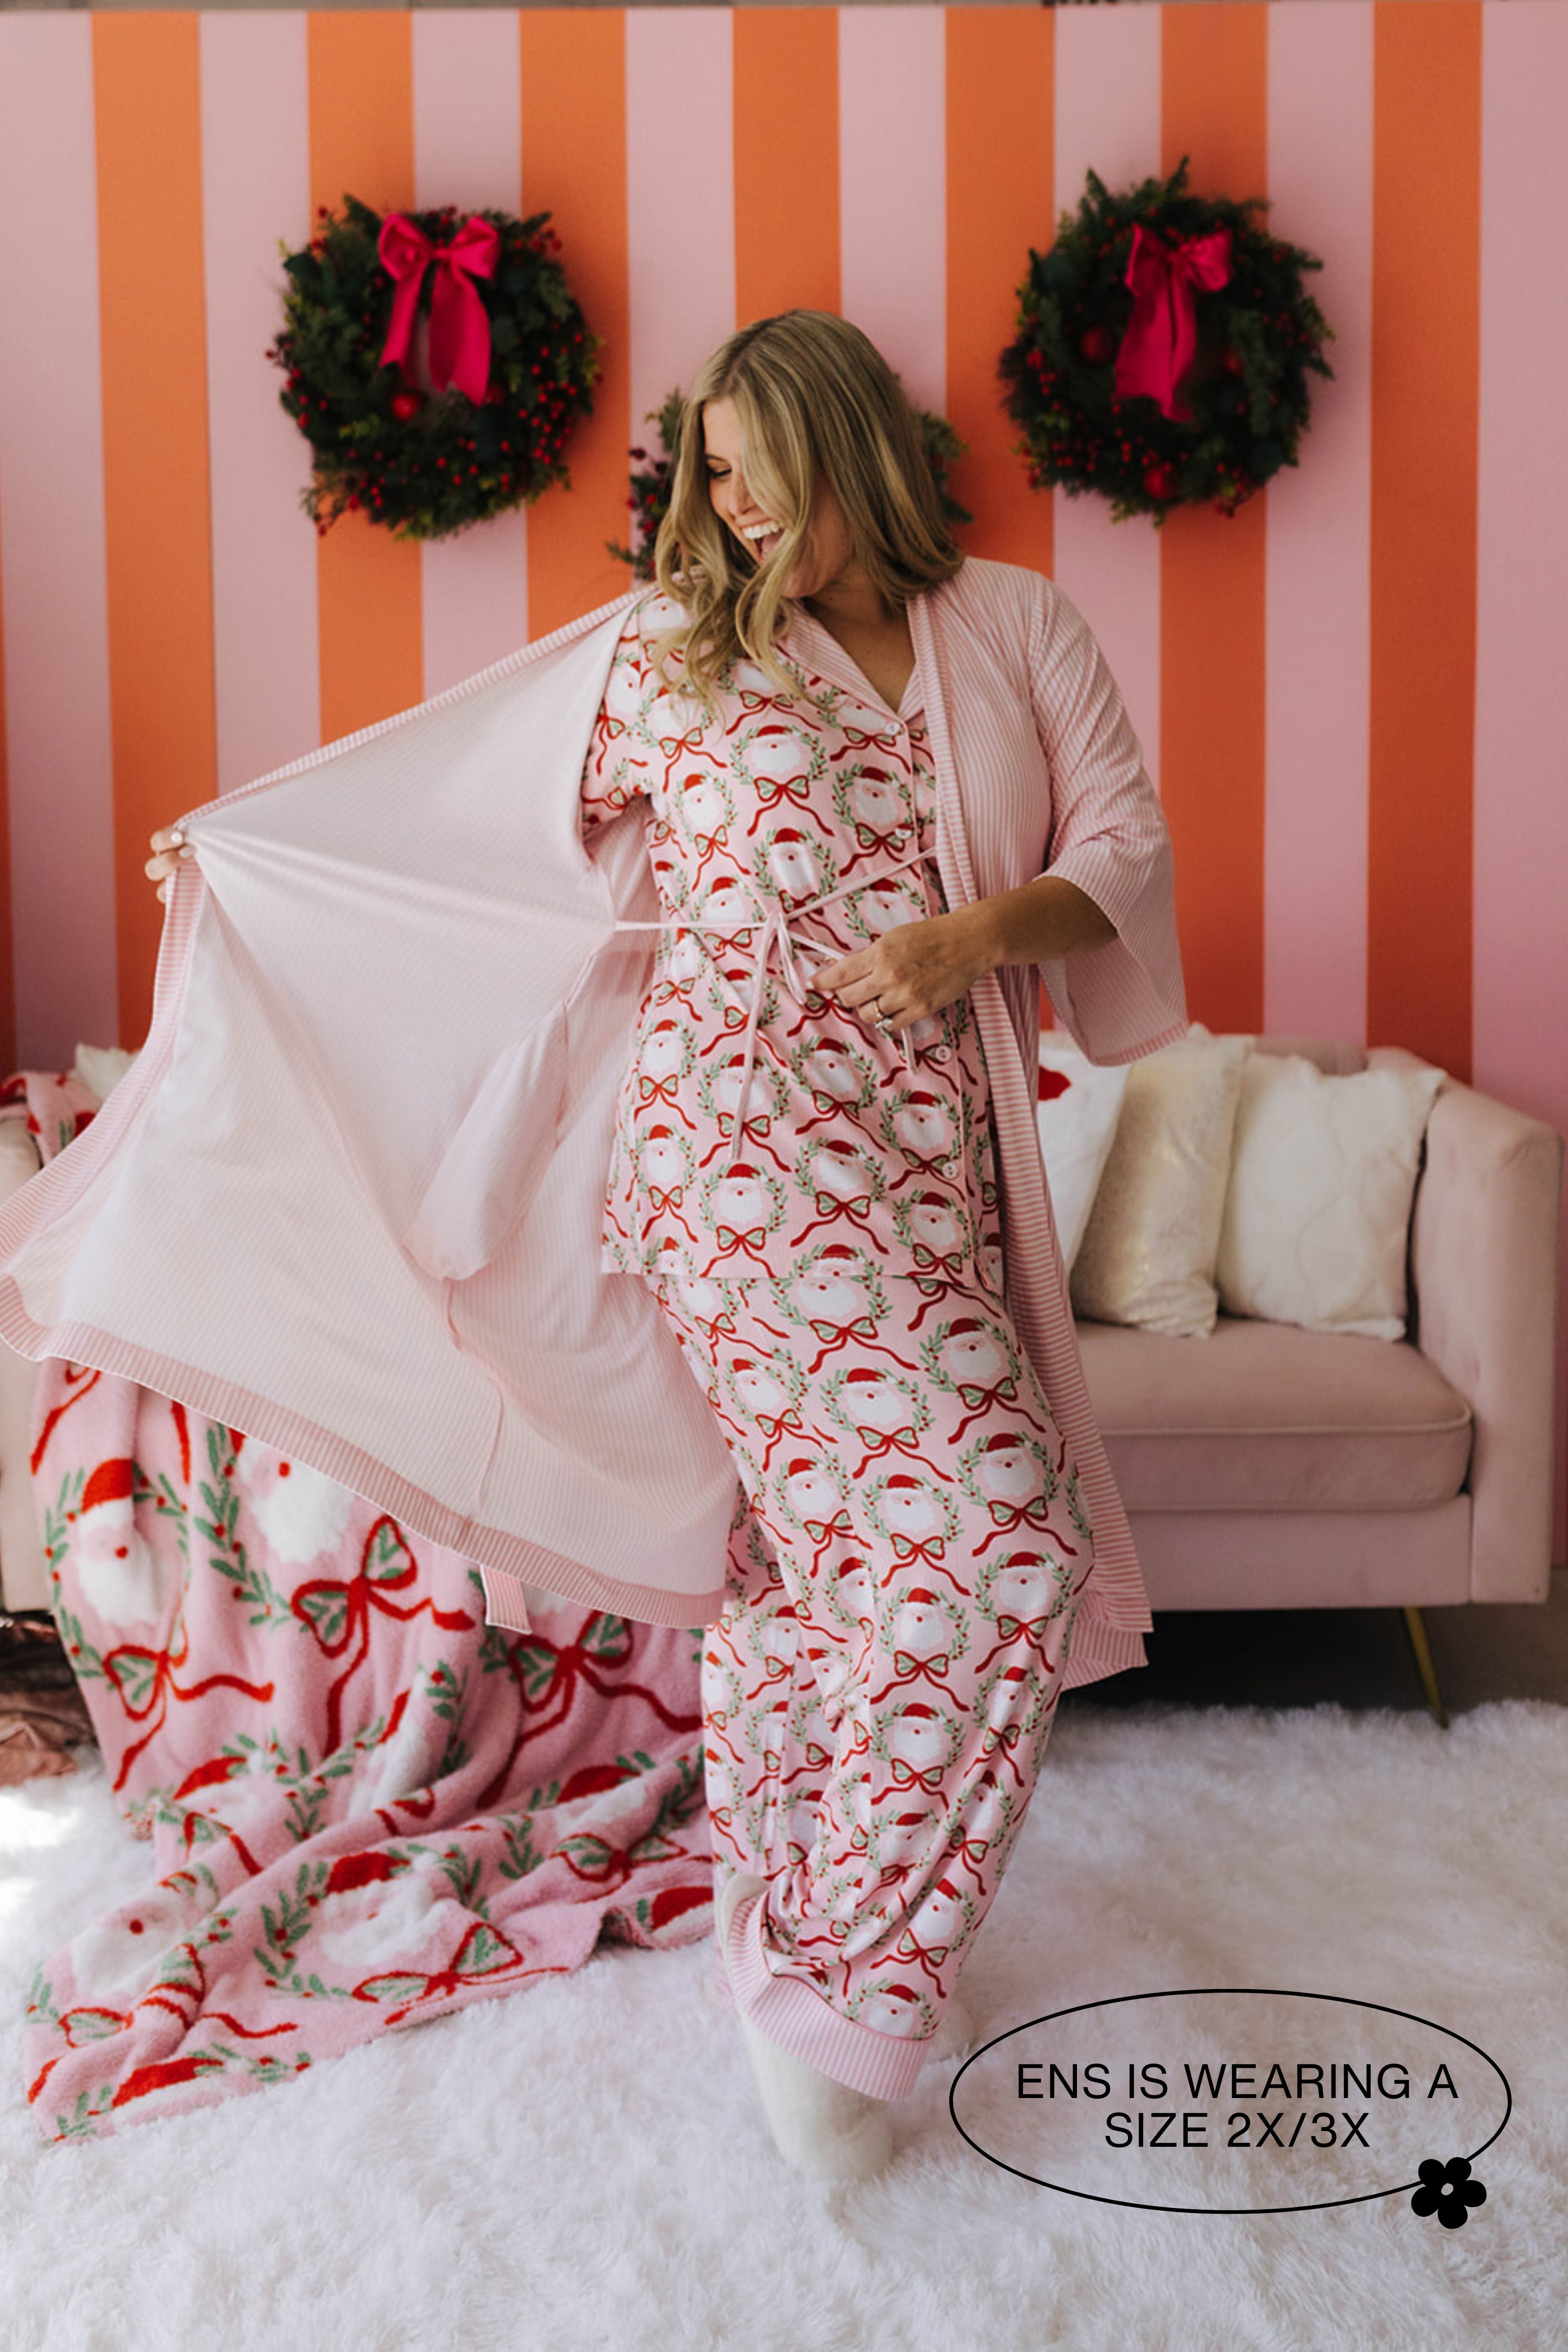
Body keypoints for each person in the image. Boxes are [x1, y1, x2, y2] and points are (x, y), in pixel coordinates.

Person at [147, 309, 1186, 2182]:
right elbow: (456, 821)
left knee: (832, 1567)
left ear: (838, 446)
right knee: (999, 1541)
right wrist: (248, 861)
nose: (716, 501)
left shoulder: (1015, 627)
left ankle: (789, 1915)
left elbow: (1118, 839)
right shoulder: (671, 654)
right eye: (702, 468)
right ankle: (856, 1987)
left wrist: (968, 943)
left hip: (934, 1169)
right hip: (735, 1166)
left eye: (742, 460)